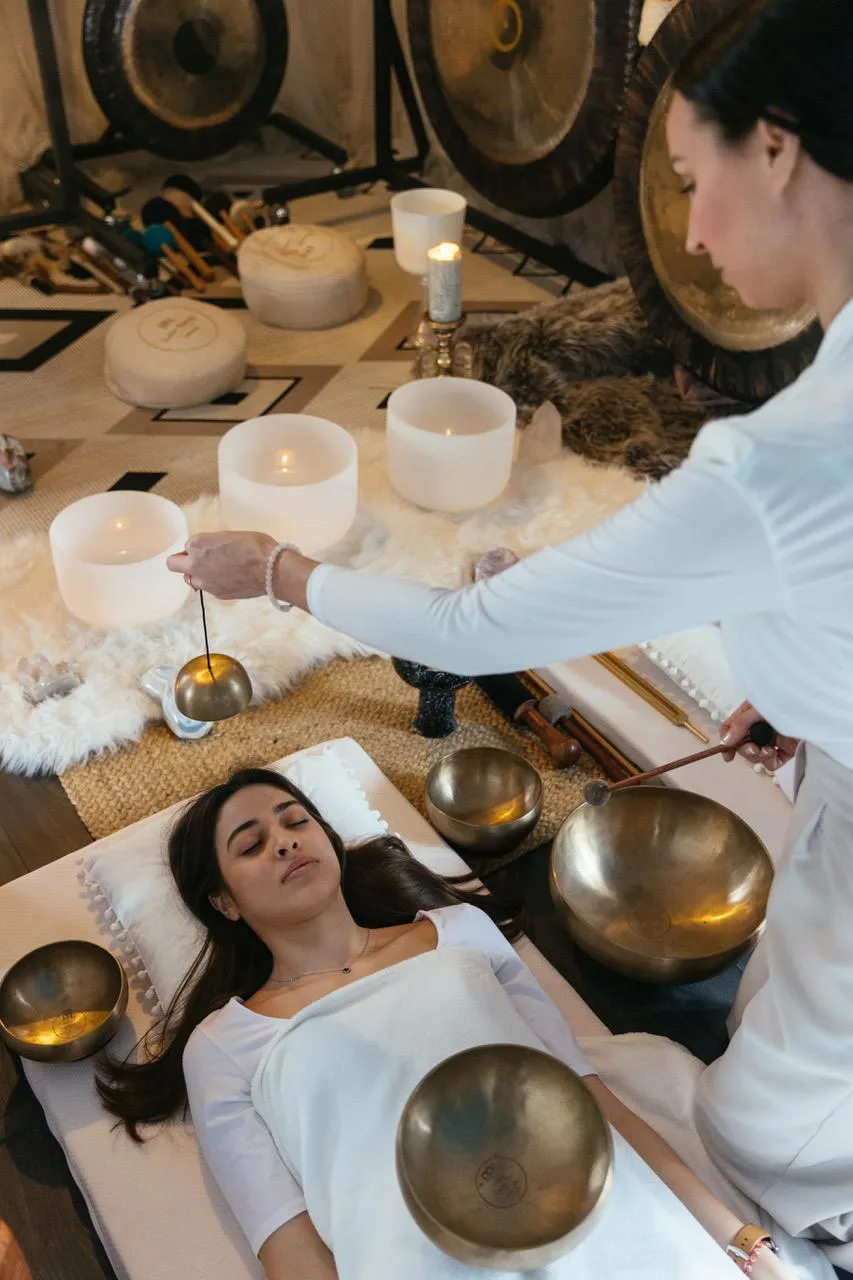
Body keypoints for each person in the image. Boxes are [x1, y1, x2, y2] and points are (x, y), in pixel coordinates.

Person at [166, 0, 853, 1266]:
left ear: (776, 147)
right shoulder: (234, 1043)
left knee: (766, 1139)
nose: (692, 232)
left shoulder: (779, 453)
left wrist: (275, 568)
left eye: (688, 179)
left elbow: (469, 629)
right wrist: (811, 685)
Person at [97, 768, 802, 1279]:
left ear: (328, 839)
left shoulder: (459, 931)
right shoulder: (225, 1045)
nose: (283, 841)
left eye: (294, 820)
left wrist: (742, 1243)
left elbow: (592, 1100)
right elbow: (288, 1243)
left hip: (607, 1221)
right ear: (223, 903)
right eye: (250, 845)